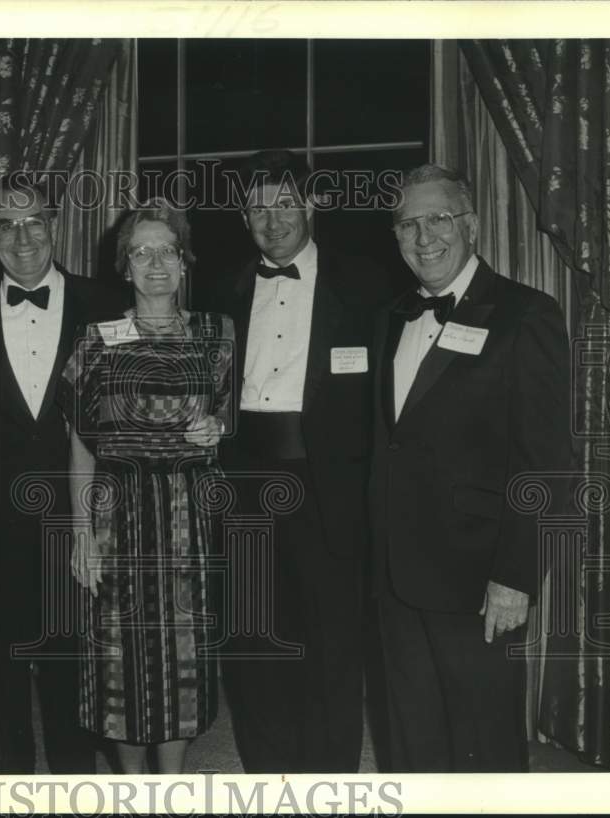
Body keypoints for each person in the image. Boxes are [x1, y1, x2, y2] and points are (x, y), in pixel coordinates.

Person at [370, 164, 572, 771]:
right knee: (410, 738)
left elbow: (546, 463)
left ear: (473, 226)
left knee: (484, 742)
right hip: (393, 573)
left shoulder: (524, 314)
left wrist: (516, 576)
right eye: (408, 223)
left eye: (439, 218)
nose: (424, 236)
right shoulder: (389, 318)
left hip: (477, 576)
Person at [218, 149, 392, 773]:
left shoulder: (370, 286)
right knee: (253, 640)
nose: (274, 218)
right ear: (244, 218)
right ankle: (267, 775)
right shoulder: (224, 289)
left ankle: (331, 780)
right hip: (243, 484)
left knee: (333, 644)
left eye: (285, 202)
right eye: (259, 207)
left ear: (311, 205)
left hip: (331, 488)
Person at [0, 177, 127, 774]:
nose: (22, 236)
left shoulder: (110, 305)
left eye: (33, 221)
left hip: (80, 514)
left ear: (54, 225)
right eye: (6, 223)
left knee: (74, 668)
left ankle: (75, 785)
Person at [57, 199, 233, 774]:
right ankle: (132, 786)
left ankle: (172, 782)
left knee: (183, 652)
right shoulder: (96, 340)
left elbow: (229, 424)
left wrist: (217, 429)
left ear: (184, 262)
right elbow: (82, 442)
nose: (155, 262)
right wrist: (81, 532)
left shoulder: (217, 334)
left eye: (167, 250)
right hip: (116, 520)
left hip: (187, 522)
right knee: (120, 659)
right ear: (124, 266)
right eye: (141, 251)